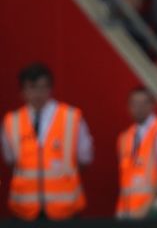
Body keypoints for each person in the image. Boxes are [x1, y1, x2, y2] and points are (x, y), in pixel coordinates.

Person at [1, 63, 94, 220]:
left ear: (50, 89)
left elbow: (85, 157)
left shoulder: (71, 117)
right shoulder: (11, 121)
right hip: (24, 208)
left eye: (42, 87)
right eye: (32, 88)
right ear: (22, 91)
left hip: (65, 208)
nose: (37, 93)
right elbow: (9, 159)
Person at [116, 88, 157, 219]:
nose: (138, 108)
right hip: (127, 213)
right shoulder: (125, 137)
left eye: (143, 103)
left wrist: (152, 201)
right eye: (134, 104)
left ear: (152, 105)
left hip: (153, 213)